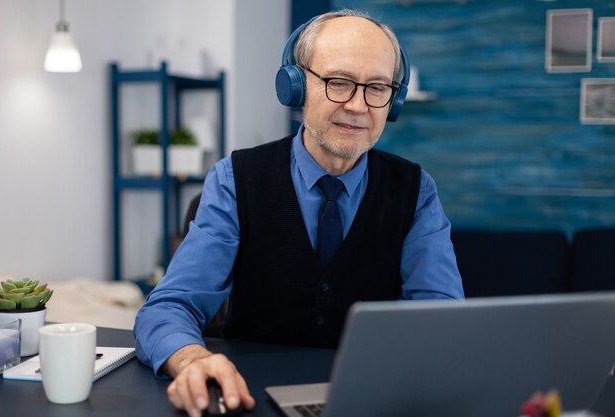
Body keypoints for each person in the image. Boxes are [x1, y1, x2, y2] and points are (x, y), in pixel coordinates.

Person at [134, 8, 464, 416]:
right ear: (294, 86)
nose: (359, 106)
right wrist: (192, 361)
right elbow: (169, 306)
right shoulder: (235, 180)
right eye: (339, 82)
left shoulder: (417, 191)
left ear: (392, 101)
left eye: (377, 87)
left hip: (369, 402)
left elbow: (440, 318)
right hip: (248, 398)